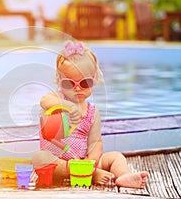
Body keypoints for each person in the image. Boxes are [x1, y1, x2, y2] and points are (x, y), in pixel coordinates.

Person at [32, 40, 148, 188]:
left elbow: (95, 142)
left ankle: (124, 175)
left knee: (116, 157)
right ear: (59, 81)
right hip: (59, 163)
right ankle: (89, 174)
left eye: (85, 83)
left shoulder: (92, 113)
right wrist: (66, 106)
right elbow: (44, 100)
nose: (77, 89)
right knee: (39, 158)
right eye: (69, 83)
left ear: (94, 80)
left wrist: (89, 163)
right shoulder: (57, 99)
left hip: (84, 160)